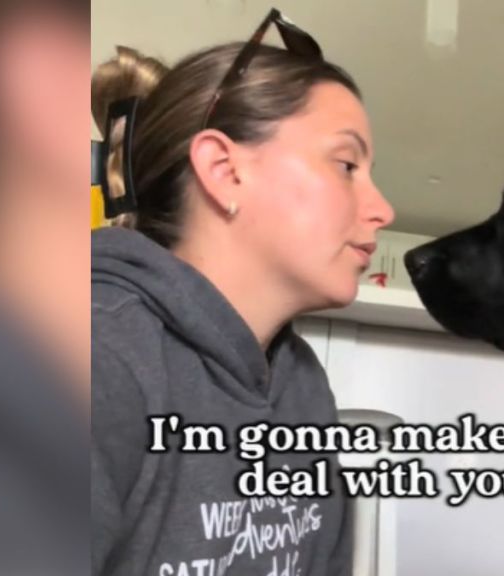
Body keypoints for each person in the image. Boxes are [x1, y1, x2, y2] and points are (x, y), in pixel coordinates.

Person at [90, 9, 395, 576]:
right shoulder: (93, 353)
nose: (382, 210)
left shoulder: (303, 385)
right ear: (225, 171)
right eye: (347, 164)